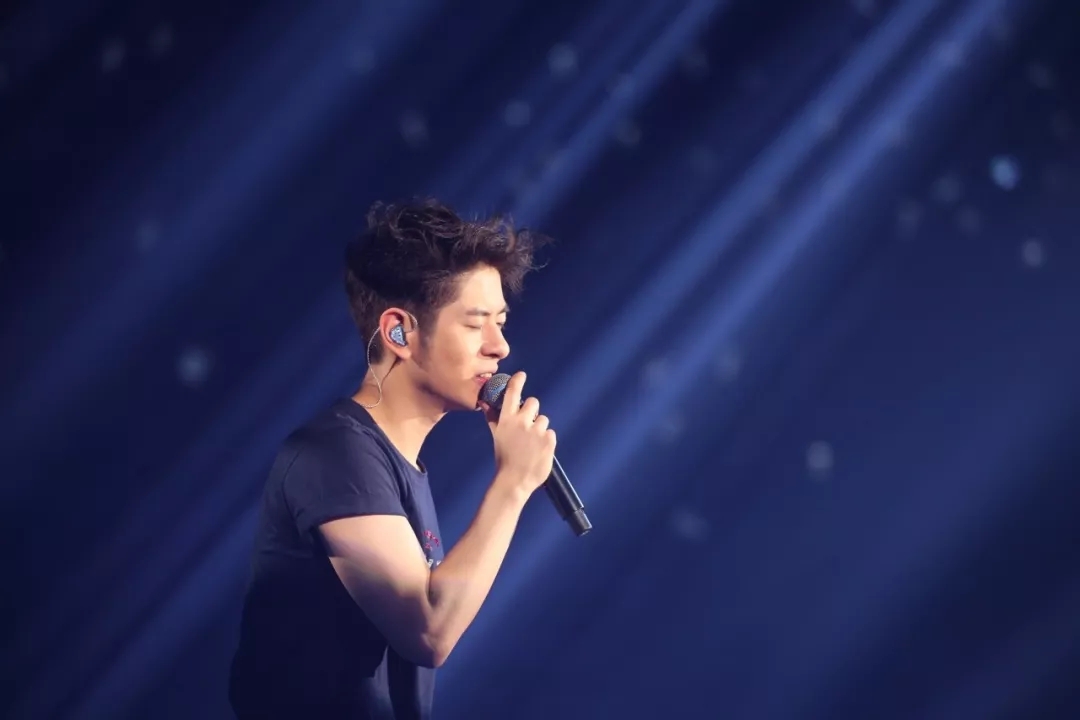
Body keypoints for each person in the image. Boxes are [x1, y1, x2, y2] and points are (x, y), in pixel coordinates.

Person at [228, 199, 556, 719]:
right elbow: (428, 629)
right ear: (399, 332)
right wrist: (513, 484)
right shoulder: (336, 453)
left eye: (500, 322)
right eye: (476, 325)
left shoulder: (393, 464)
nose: (500, 348)